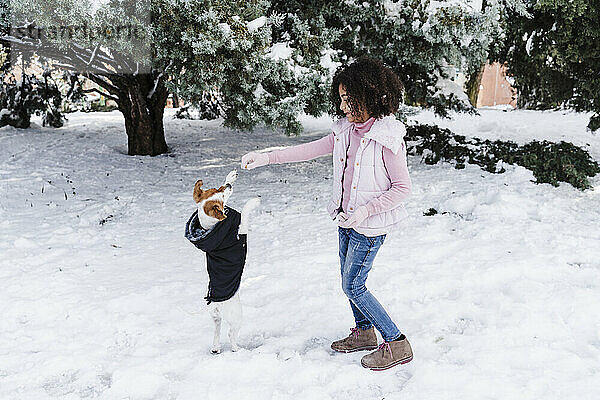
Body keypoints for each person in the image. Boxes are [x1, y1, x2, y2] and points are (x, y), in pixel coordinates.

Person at [241, 57, 413, 371]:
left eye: (350, 99)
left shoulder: (387, 138)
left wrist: (364, 212)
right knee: (348, 280)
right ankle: (363, 333)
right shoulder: (344, 131)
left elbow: (402, 188)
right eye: (342, 98)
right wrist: (264, 157)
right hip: (344, 221)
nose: (344, 106)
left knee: (353, 286)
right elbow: (304, 151)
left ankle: (396, 341)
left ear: (370, 95)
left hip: (369, 226)